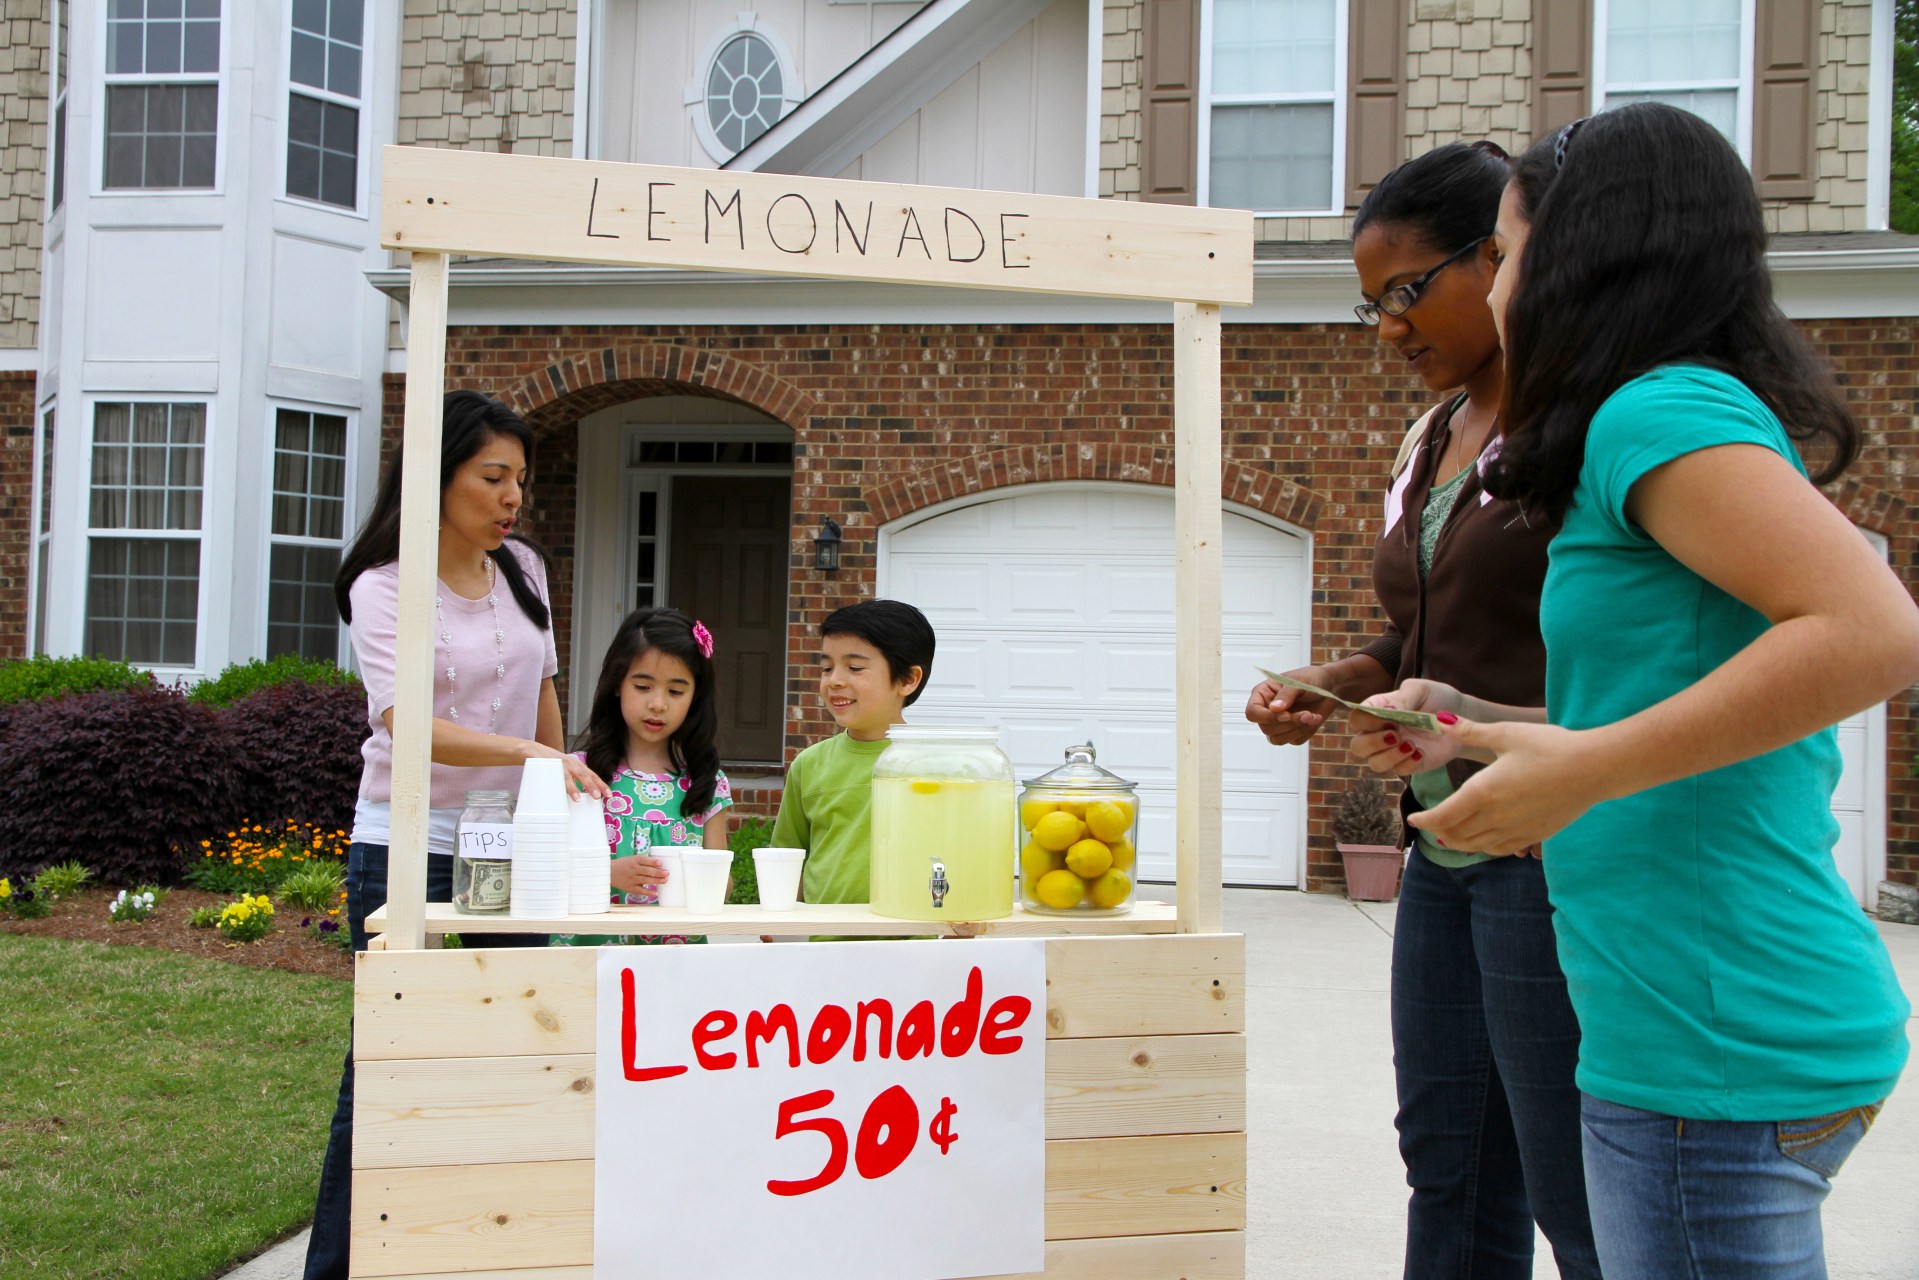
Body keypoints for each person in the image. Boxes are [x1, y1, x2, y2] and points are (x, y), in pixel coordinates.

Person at [1358, 103, 1918, 1278]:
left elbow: (1872, 630)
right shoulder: (1626, 420)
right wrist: (1487, 724)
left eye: (1501, 257)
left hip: (1710, 1031)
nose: (1499, 289)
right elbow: (1661, 699)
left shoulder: (1649, 408)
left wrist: (1582, 770)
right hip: (1673, 1020)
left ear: (1578, 250)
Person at [1245, 141, 1599, 1279]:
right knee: (1447, 1156)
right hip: (1441, 835)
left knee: (1570, 1179)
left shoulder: (1588, 420)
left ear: (1496, 256)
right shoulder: (1429, 437)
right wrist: (1334, 682)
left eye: (1405, 291)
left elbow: (1644, 656)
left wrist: (1492, 720)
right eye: (1370, 308)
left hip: (1553, 840)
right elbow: (1414, 635)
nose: (1389, 327)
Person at [304, 390, 609, 1280]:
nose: (513, 495)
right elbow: (403, 723)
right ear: (438, 477)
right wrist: (527, 752)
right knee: (392, 1074)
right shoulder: (383, 585)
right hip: (408, 846)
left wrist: (561, 791)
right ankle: (337, 1269)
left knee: (511, 1056)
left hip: (515, 846)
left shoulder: (524, 570)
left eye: (521, 477)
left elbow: (546, 695)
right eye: (493, 476)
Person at [555, 606, 732, 946]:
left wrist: (701, 878)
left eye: (676, 691)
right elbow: (541, 872)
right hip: (587, 963)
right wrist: (607, 874)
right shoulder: (579, 775)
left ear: (695, 698)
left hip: (674, 968)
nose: (658, 704)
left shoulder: (707, 784)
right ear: (618, 684)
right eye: (643, 686)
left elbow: (722, 886)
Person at [771, 600, 935, 910]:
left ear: (908, 679)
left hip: (914, 941)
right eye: (827, 667)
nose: (834, 680)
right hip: (824, 943)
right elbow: (787, 859)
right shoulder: (809, 764)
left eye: (855, 667)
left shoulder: (937, 766)